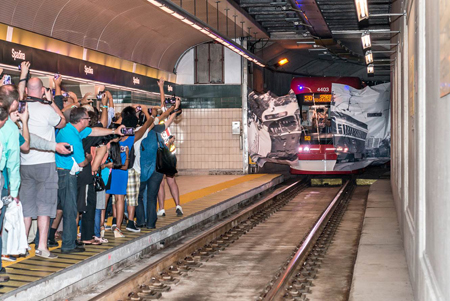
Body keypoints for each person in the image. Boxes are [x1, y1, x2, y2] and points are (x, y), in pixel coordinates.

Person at [55, 107, 124, 253]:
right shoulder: (73, 136)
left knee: (71, 209)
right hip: (66, 175)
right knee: (70, 210)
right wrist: (89, 158)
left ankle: (70, 240)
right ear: (81, 120)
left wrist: (114, 131)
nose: (89, 121)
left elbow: (94, 131)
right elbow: (82, 163)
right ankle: (68, 244)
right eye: (87, 119)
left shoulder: (72, 129)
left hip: (68, 174)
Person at [136, 80, 181, 229]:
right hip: (156, 168)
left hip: (140, 170)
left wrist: (161, 88)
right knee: (152, 195)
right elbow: (166, 114)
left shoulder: (137, 133)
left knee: (140, 196)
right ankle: (151, 222)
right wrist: (175, 109)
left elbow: (163, 110)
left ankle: (141, 220)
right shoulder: (156, 129)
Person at [157, 135, 183, 217]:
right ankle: (178, 205)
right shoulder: (166, 127)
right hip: (170, 157)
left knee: (161, 183)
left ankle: (161, 209)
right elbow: (172, 138)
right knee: (172, 181)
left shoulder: (157, 128)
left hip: (161, 157)